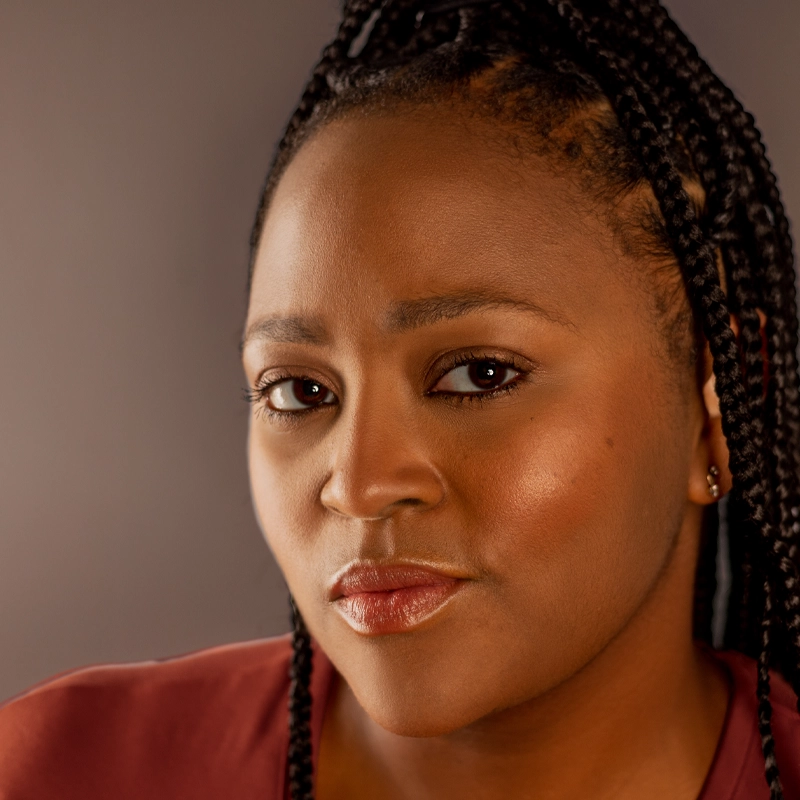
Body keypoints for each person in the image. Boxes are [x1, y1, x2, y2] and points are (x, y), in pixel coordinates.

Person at [1, 0, 799, 797]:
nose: (359, 482)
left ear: (721, 402)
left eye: (478, 375)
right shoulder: (62, 771)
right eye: (300, 389)